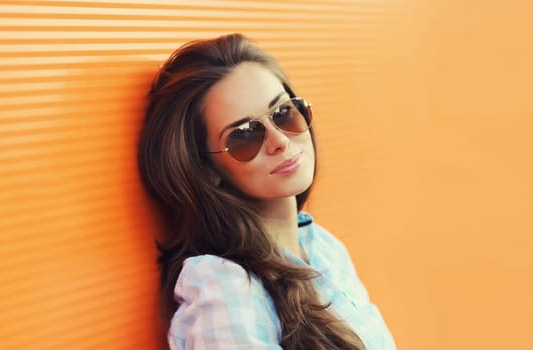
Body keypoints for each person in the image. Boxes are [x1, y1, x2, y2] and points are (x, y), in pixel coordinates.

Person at [137, 33, 395, 350]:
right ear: (206, 170)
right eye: (244, 135)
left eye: (284, 113)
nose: (280, 141)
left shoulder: (326, 249)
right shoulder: (224, 287)